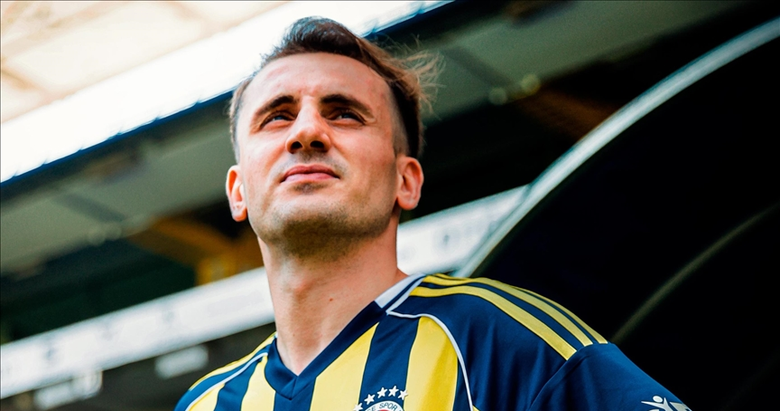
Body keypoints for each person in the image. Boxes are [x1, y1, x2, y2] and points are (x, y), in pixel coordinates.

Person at [175, 17, 688, 411]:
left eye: (345, 113)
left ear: (406, 181)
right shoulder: (203, 404)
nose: (306, 132)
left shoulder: (503, 342)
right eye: (277, 116)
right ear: (238, 192)